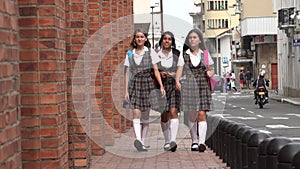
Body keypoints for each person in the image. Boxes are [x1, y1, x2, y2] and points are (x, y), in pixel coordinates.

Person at [124, 29, 166, 151]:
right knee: (136, 112)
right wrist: (126, 91)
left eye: (142, 37)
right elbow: (127, 72)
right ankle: (138, 139)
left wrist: (161, 86)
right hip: (135, 84)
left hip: (147, 84)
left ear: (145, 39)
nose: (140, 39)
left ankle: (142, 141)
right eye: (137, 37)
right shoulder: (130, 54)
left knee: (145, 114)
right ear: (135, 39)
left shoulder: (150, 52)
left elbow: (156, 70)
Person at [175, 28, 214, 152]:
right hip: (189, 86)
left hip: (202, 85)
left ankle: (202, 142)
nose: (192, 39)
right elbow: (180, 69)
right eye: (190, 38)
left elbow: (211, 69)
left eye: (194, 37)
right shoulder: (184, 55)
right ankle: (195, 140)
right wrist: (177, 81)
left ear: (199, 40)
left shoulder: (205, 54)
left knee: (201, 113)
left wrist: (210, 73)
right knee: (192, 114)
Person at [157, 31, 181, 152]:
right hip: (161, 86)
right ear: (161, 40)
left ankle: (173, 140)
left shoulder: (177, 53)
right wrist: (160, 73)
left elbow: (182, 69)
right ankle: (166, 140)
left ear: (172, 42)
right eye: (165, 39)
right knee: (164, 114)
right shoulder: (156, 54)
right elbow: (152, 70)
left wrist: (175, 75)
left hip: (173, 85)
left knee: (173, 111)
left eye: (169, 39)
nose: (167, 41)